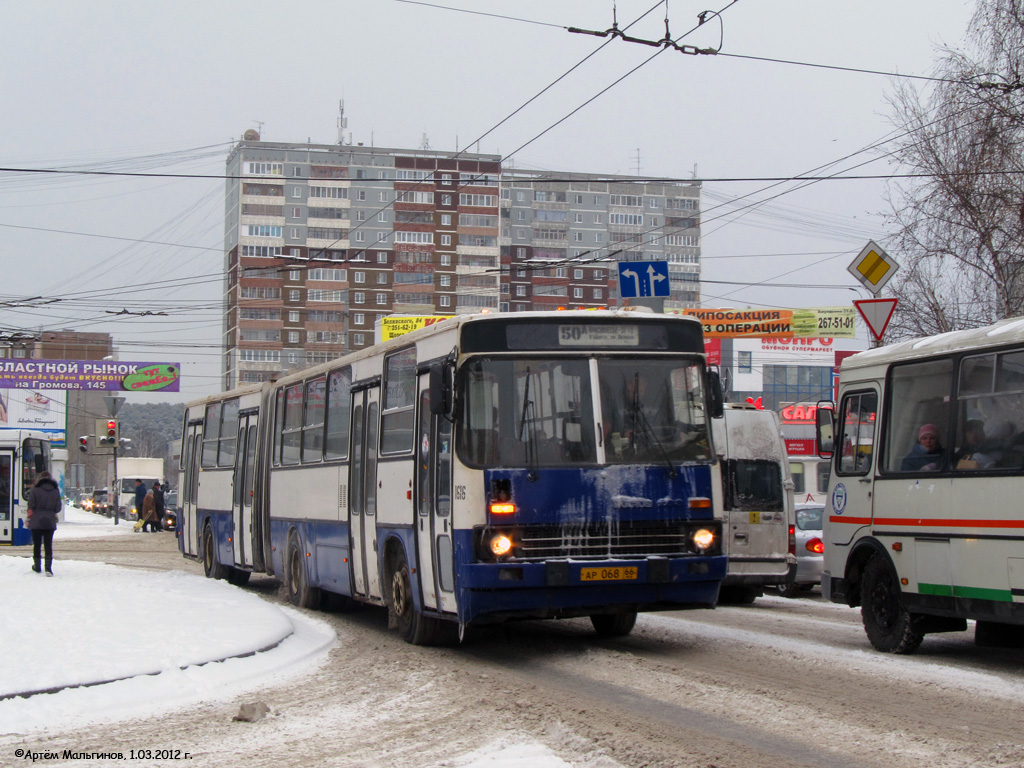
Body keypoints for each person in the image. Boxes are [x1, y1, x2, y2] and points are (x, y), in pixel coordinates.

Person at [26, 470, 61, 576]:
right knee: (48, 545)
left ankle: (37, 566)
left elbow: (30, 505)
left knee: (37, 545)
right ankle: (48, 568)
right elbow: (58, 508)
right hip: (49, 521)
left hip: (36, 521)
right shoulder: (55, 491)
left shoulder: (35, 490)